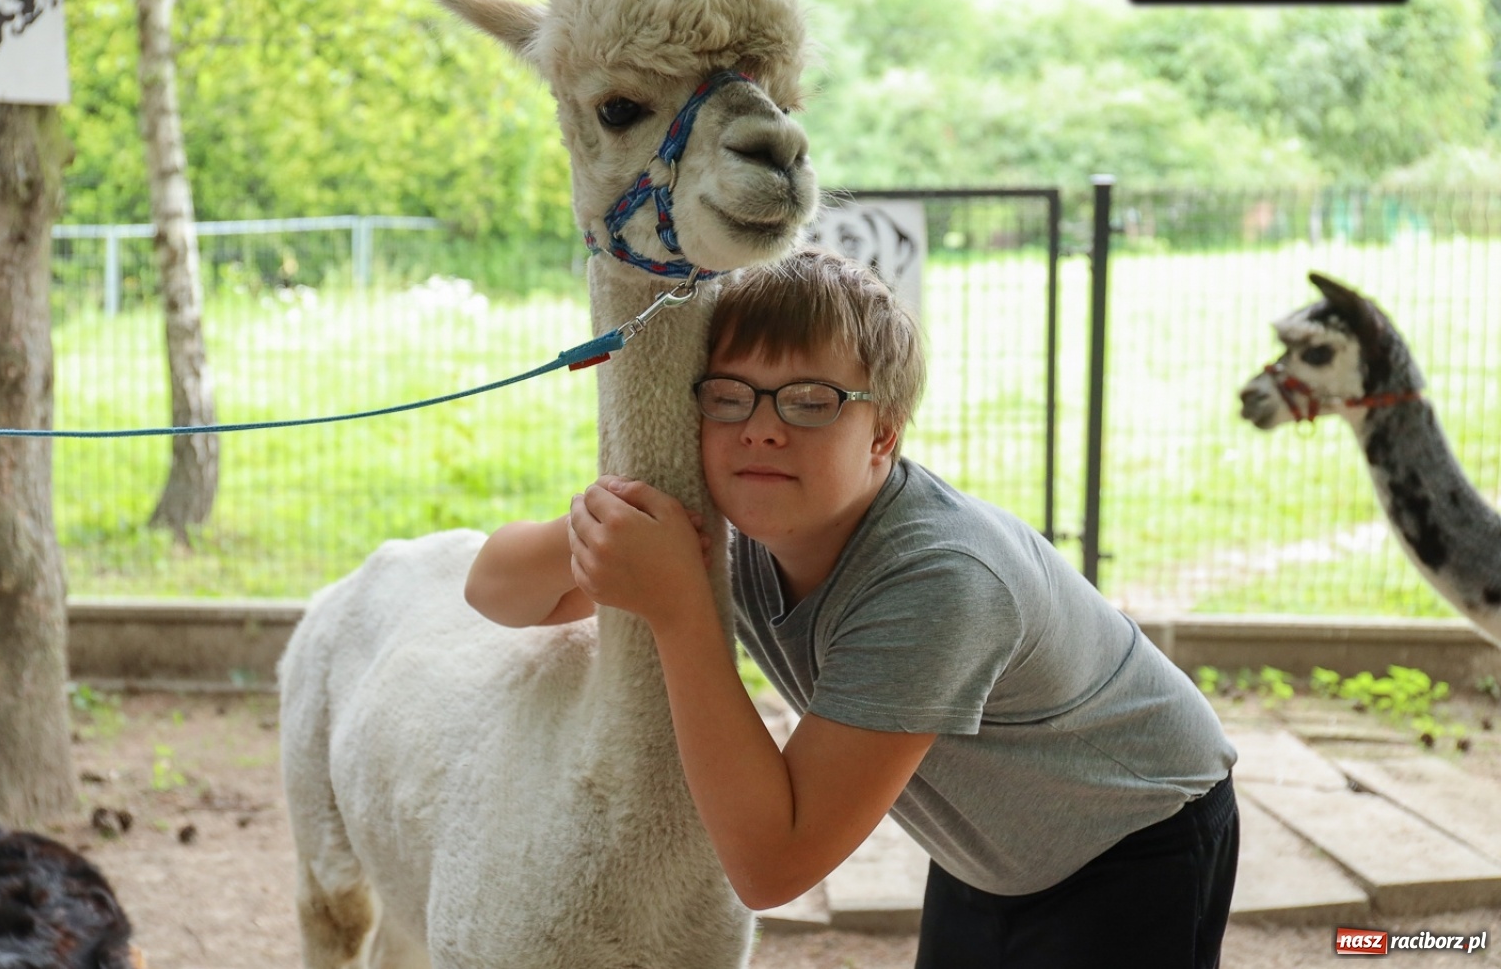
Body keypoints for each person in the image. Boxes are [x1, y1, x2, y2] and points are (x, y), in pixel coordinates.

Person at [464, 247, 1239, 969]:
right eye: (729, 397)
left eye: (810, 401)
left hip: (1135, 830)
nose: (761, 429)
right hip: (992, 849)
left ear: (883, 437)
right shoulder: (734, 513)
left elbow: (772, 864)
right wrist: (612, 518)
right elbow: (494, 591)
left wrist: (679, 609)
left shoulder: (939, 584)